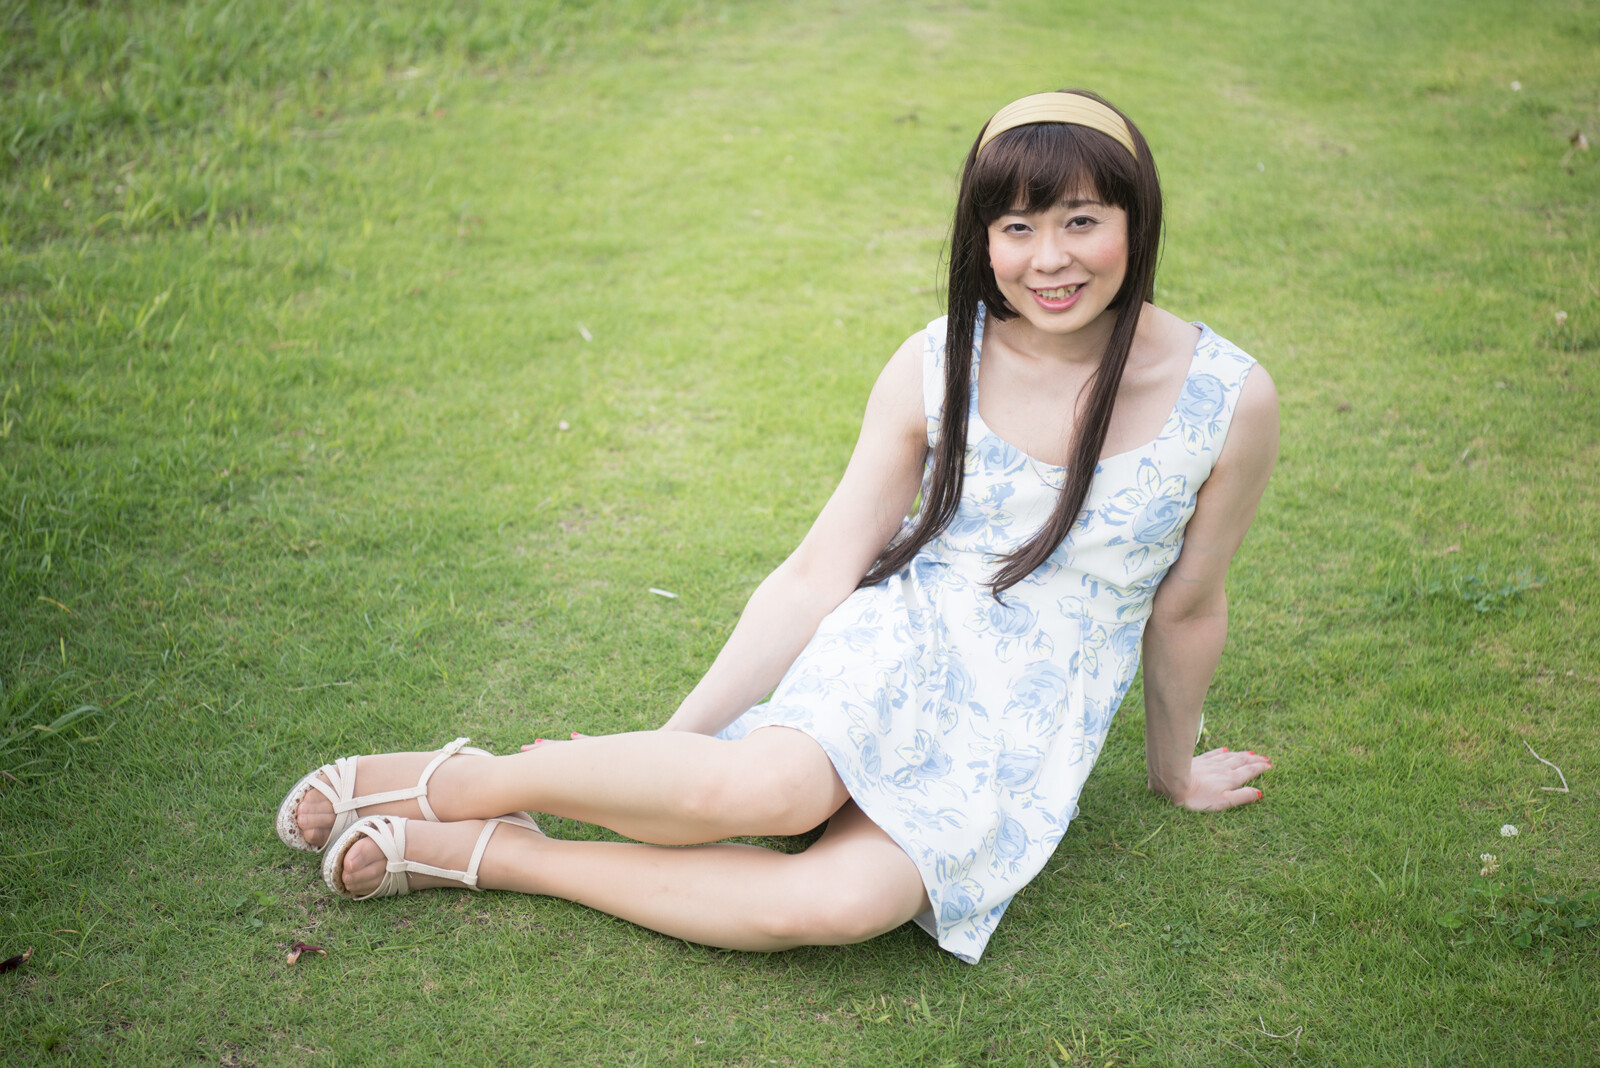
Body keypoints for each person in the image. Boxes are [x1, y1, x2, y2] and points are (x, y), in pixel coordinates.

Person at [274, 89, 1278, 964]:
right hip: (908, 640)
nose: (1049, 259)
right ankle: (470, 784)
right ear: (982, 240)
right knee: (771, 792)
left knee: (842, 906)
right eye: (1016, 227)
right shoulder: (939, 360)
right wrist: (669, 749)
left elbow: (1187, 607)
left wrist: (1172, 772)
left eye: (1080, 221)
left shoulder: (1227, 399)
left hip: (1027, 717)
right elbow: (816, 570)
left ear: (1135, 220)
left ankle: (506, 855)